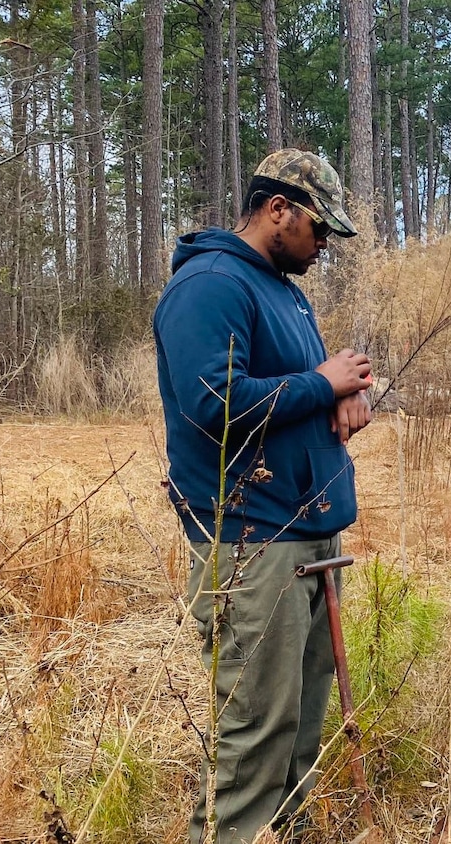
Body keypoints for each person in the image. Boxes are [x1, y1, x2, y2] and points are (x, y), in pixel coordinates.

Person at [154, 148, 370, 844]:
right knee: (254, 737)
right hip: (253, 546)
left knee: (300, 729)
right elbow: (211, 402)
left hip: (306, 536)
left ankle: (290, 833)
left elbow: (298, 388)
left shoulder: (284, 290)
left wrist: (342, 401)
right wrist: (321, 386)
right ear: (277, 209)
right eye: (318, 229)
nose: (324, 247)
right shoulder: (212, 286)